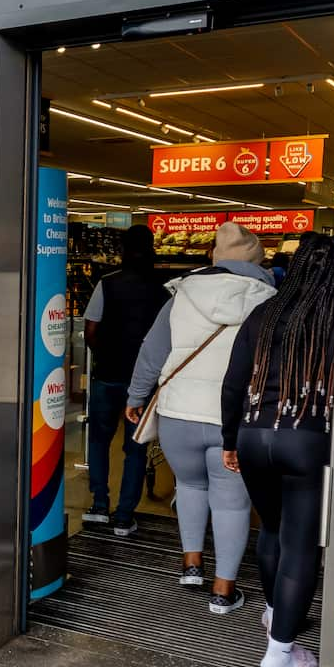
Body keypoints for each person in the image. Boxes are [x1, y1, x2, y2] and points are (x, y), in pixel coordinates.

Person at [125, 222, 276, 615]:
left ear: (214, 256)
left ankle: (191, 565)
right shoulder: (269, 300)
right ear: (258, 262)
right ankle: (224, 590)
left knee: (190, 486)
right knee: (231, 503)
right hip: (234, 419)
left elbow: (153, 350)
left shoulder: (183, 292)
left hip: (179, 412)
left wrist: (137, 395)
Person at [221, 234, 334, 667]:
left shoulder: (263, 315)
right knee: (300, 544)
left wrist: (229, 439)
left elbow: (233, 383)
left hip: (254, 435)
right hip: (306, 437)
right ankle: (279, 654)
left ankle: (275, 614)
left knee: (270, 528)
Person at [81, 225, 169, 536]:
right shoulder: (165, 291)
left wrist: (107, 355)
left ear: (122, 250)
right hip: (143, 383)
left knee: (99, 440)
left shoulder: (107, 284)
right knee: (135, 448)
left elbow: (90, 332)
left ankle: (98, 505)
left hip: (108, 375)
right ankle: (124, 515)